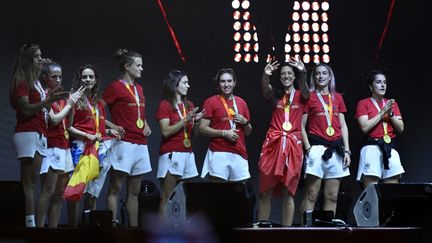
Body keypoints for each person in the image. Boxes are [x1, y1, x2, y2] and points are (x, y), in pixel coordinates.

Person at [9, 43, 67, 227]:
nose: (41, 59)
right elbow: (25, 109)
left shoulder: (35, 82)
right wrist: (48, 101)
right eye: (37, 57)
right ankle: (30, 223)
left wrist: (53, 99)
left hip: (39, 133)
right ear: (28, 59)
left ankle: (31, 222)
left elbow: (44, 106)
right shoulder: (22, 79)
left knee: (33, 183)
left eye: (41, 56)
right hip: (27, 132)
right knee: (29, 184)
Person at [257, 58, 309, 226]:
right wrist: (265, 76)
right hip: (273, 143)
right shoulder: (276, 96)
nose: (286, 76)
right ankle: (261, 230)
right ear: (280, 78)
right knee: (266, 190)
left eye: (289, 73)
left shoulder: (301, 96)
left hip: (293, 145)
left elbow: (308, 92)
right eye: (283, 74)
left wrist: (303, 73)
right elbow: (266, 91)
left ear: (294, 77)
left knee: (289, 191)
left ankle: (287, 232)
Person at [103, 48, 152, 226]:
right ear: (127, 66)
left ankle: (134, 229)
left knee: (134, 192)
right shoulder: (115, 87)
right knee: (115, 188)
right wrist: (111, 126)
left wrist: (144, 122)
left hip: (140, 143)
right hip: (123, 143)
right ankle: (113, 227)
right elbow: (98, 110)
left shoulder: (139, 88)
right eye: (138, 65)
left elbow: (137, 110)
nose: (142, 69)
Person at [299, 64, 351, 221]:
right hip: (316, 149)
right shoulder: (309, 97)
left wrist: (347, 150)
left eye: (324, 73)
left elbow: (343, 126)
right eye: (317, 74)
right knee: (312, 195)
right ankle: (303, 232)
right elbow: (300, 125)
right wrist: (308, 148)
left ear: (330, 77)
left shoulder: (338, 98)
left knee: (332, 197)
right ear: (313, 78)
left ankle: (328, 232)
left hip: (336, 151)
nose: (321, 76)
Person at [66, 64, 116, 227]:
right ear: (79, 79)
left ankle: (88, 230)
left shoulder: (99, 103)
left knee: (93, 192)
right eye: (84, 77)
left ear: (96, 80)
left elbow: (97, 126)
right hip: (81, 149)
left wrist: (109, 131)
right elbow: (69, 127)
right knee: (77, 191)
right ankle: (73, 231)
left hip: (98, 149)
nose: (88, 80)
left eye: (91, 77)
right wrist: (87, 135)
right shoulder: (74, 99)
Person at [35, 61, 84, 227]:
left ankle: (53, 231)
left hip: (64, 147)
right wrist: (69, 104)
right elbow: (54, 120)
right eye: (53, 77)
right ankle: (39, 230)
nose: (57, 80)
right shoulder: (45, 96)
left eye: (60, 77)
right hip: (51, 147)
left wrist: (71, 104)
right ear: (45, 78)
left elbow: (68, 126)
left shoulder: (62, 99)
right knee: (48, 191)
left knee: (59, 195)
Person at [155, 70, 205, 216]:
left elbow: (195, 134)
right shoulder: (165, 105)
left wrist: (197, 120)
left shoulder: (189, 105)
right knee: (167, 196)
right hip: (171, 153)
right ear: (175, 85)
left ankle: (179, 232)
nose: (188, 86)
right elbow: (165, 131)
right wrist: (186, 119)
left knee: (182, 198)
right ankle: (162, 234)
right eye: (184, 82)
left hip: (187, 153)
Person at [199, 68, 252, 182]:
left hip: (239, 153)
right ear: (218, 84)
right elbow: (202, 129)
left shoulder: (241, 103)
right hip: (219, 152)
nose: (226, 84)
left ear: (234, 83)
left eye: (229, 81)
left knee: (239, 194)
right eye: (223, 81)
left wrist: (245, 122)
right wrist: (224, 133)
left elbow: (248, 132)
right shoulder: (211, 102)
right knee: (218, 195)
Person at [355, 69, 404, 188]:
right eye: (378, 82)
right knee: (371, 192)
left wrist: (391, 114)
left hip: (389, 147)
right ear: (371, 86)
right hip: (372, 147)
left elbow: (401, 128)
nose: (383, 85)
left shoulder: (391, 104)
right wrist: (382, 112)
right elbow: (365, 127)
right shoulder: (363, 103)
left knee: (392, 192)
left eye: (384, 82)